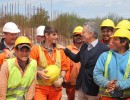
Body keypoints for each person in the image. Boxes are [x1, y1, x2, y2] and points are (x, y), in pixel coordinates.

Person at [64, 21, 109, 100]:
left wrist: (101, 91)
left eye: (83, 32)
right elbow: (76, 59)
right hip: (80, 87)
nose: (81, 34)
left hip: (93, 90)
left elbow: (106, 72)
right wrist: (66, 51)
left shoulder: (103, 49)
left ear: (91, 33)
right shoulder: (84, 46)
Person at [30, 26, 69, 100]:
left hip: (56, 88)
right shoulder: (36, 49)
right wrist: (39, 72)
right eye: (54, 35)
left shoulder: (60, 50)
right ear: (46, 35)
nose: (56, 37)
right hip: (40, 88)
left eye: (57, 35)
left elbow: (64, 67)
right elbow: (30, 67)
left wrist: (61, 78)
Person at [93, 28, 130, 100]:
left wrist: (118, 85)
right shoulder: (104, 55)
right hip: (107, 97)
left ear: (124, 42)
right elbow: (96, 74)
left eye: (115, 39)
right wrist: (107, 83)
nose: (112, 41)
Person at [64, 26, 83, 100]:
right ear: (73, 37)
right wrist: (65, 79)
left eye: (80, 35)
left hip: (83, 82)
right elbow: (65, 64)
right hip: (71, 83)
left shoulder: (87, 48)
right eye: (76, 35)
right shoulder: (68, 49)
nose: (78, 37)